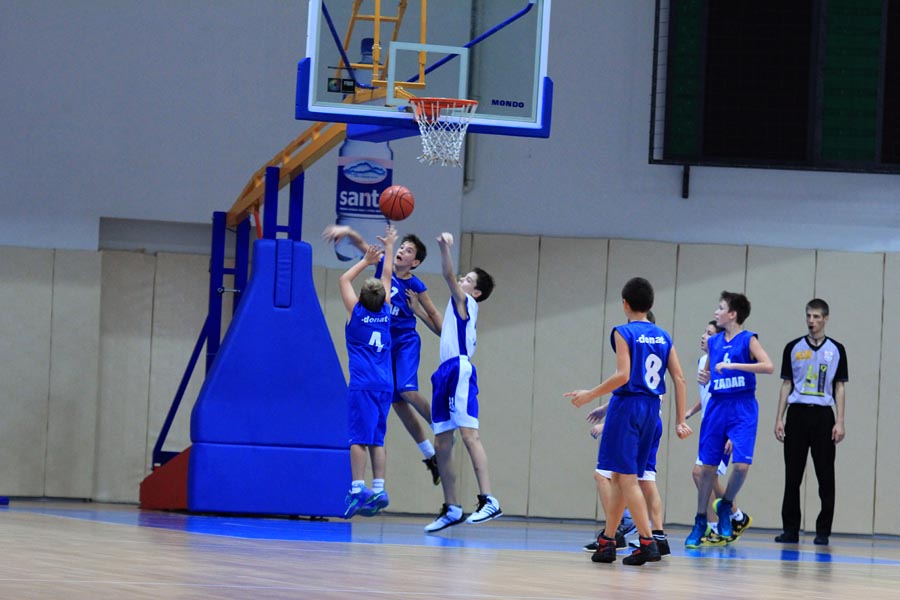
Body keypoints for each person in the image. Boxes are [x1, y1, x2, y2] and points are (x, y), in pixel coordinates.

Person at [566, 277, 692, 566]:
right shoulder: (663, 336)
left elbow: (623, 375)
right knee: (624, 478)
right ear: (651, 304)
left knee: (627, 479)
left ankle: (647, 542)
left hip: (628, 407)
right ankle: (608, 541)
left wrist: (589, 395)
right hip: (651, 409)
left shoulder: (623, 332)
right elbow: (680, 378)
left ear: (624, 303)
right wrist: (680, 420)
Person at [323, 224, 443, 486]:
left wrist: (442, 333)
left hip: (405, 342)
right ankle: (430, 455)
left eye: (408, 250)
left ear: (416, 262)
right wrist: (347, 232)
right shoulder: (382, 268)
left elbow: (434, 315)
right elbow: (365, 248)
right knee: (396, 400)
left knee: (407, 390)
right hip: (383, 346)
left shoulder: (415, 285)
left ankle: (440, 426)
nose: (401, 251)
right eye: (401, 247)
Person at [418, 232, 501, 533]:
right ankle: (452, 507)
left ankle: (488, 499)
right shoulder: (459, 312)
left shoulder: (466, 301)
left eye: (468, 279)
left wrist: (444, 248)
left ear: (475, 292)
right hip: (444, 372)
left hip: (459, 371)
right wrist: (418, 311)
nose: (462, 280)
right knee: (442, 442)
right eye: (464, 278)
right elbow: (444, 331)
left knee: (469, 436)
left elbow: (447, 274)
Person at [685, 291, 773, 548]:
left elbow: (768, 366)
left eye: (720, 307)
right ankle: (701, 520)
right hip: (717, 407)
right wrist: (705, 378)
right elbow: (709, 373)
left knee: (742, 466)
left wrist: (737, 367)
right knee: (707, 469)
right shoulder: (714, 343)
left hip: (743, 406)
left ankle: (725, 505)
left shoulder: (748, 339)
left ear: (732, 314)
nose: (716, 312)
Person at [774, 298, 847, 546]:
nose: (811, 321)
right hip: (797, 414)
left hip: (823, 416)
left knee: (825, 476)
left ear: (826, 318)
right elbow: (786, 384)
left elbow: (839, 387)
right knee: (792, 475)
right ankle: (790, 529)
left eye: (816, 317)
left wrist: (840, 421)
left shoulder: (836, 350)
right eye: (808, 316)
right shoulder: (792, 348)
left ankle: (823, 531)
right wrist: (779, 418)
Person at [338, 226, 397, 518]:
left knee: (358, 438)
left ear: (360, 300)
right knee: (377, 439)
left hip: (363, 384)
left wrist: (366, 260)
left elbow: (343, 278)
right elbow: (386, 278)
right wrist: (389, 247)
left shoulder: (356, 313)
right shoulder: (387, 311)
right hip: (386, 385)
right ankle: (380, 487)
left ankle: (357, 488)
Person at [684, 321, 751, 544]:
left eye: (710, 333)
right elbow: (706, 395)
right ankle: (735, 517)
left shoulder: (727, 363)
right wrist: (690, 412)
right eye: (704, 332)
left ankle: (716, 524)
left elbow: (730, 398)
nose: (704, 337)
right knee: (703, 475)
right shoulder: (703, 362)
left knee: (701, 473)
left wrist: (733, 435)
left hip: (724, 426)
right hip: (709, 425)